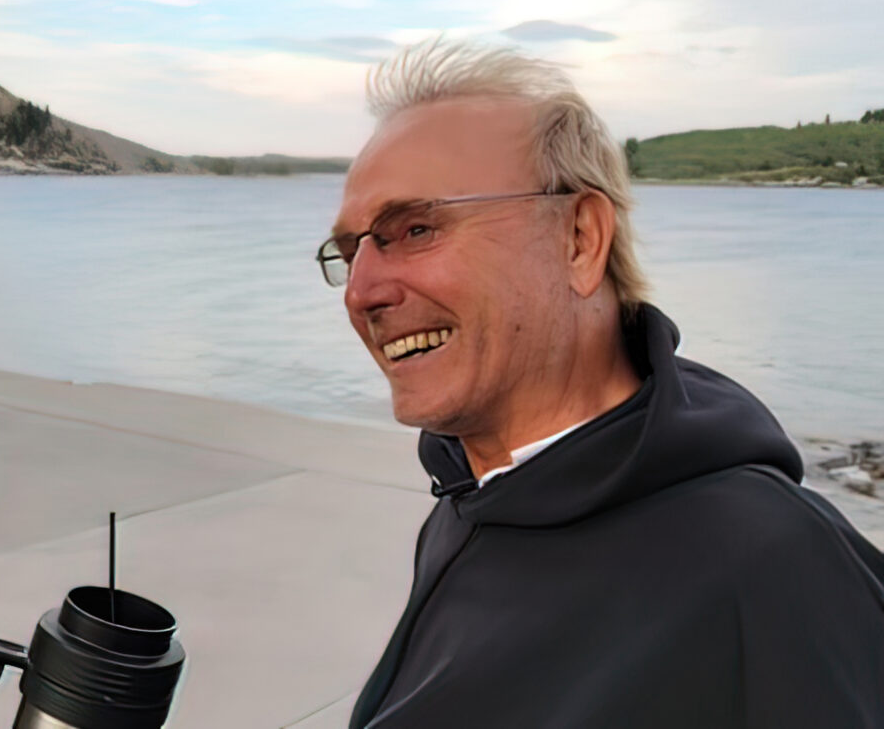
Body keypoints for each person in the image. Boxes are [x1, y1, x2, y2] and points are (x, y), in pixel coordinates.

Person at [316, 40, 884, 728]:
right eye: (351, 252)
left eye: (416, 228)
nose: (363, 291)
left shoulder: (767, 562)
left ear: (581, 239)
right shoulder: (470, 498)